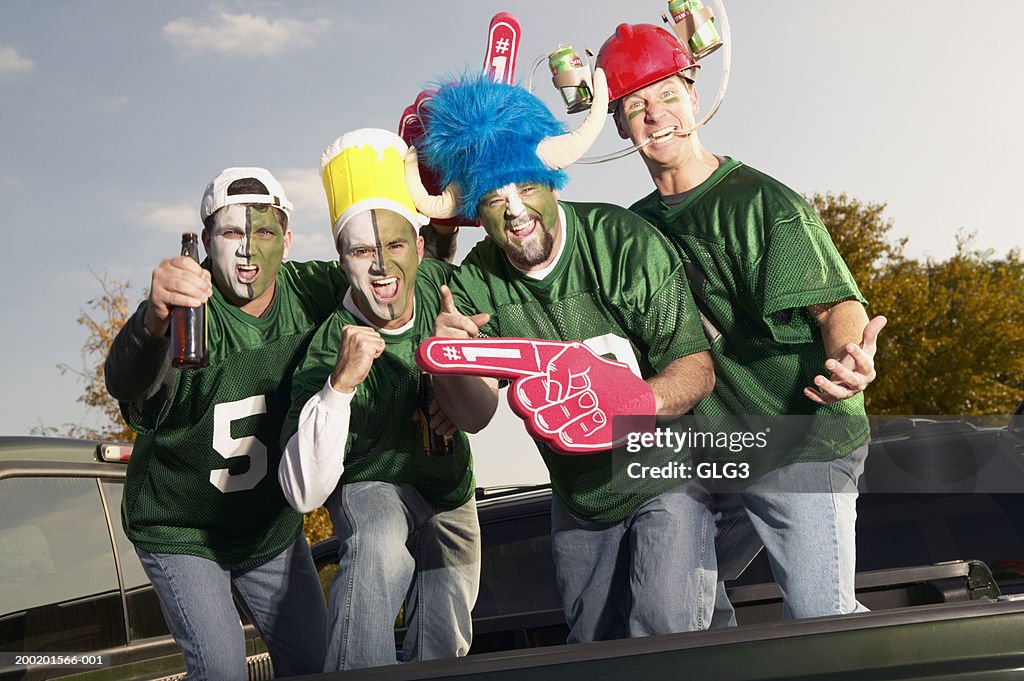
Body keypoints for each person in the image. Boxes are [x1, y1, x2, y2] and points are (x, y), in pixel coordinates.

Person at [407, 69, 718, 641]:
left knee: (665, 631)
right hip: (578, 497)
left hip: (665, 473)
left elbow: (696, 368)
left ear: (553, 182)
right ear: (478, 211)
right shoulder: (476, 281)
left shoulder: (622, 242)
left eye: (525, 188)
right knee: (591, 650)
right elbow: (474, 416)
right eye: (495, 200)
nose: (516, 211)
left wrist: (638, 398)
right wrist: (452, 359)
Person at [595, 23, 887, 621]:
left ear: (695, 98)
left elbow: (836, 305)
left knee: (820, 618)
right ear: (621, 125)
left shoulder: (763, 203)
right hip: (710, 452)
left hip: (799, 436)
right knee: (670, 611)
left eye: (668, 95)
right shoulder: (630, 231)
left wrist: (851, 359)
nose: (656, 116)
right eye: (636, 106)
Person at [104, 167, 345, 679]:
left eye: (263, 232)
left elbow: (388, 273)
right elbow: (126, 387)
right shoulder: (190, 313)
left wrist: (435, 231)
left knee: (319, 665)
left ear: (287, 239)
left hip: (266, 530)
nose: (247, 250)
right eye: (232, 232)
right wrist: (151, 319)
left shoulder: (311, 289)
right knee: (222, 670)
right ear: (206, 242)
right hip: (182, 527)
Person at [278, 129, 481, 671]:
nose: (381, 268)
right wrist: (339, 386)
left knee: (445, 630)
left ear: (417, 248)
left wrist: (465, 365)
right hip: (372, 480)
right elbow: (302, 493)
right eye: (362, 251)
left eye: (393, 246)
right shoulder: (330, 342)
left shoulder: (448, 288)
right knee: (381, 541)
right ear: (342, 259)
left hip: (447, 486)